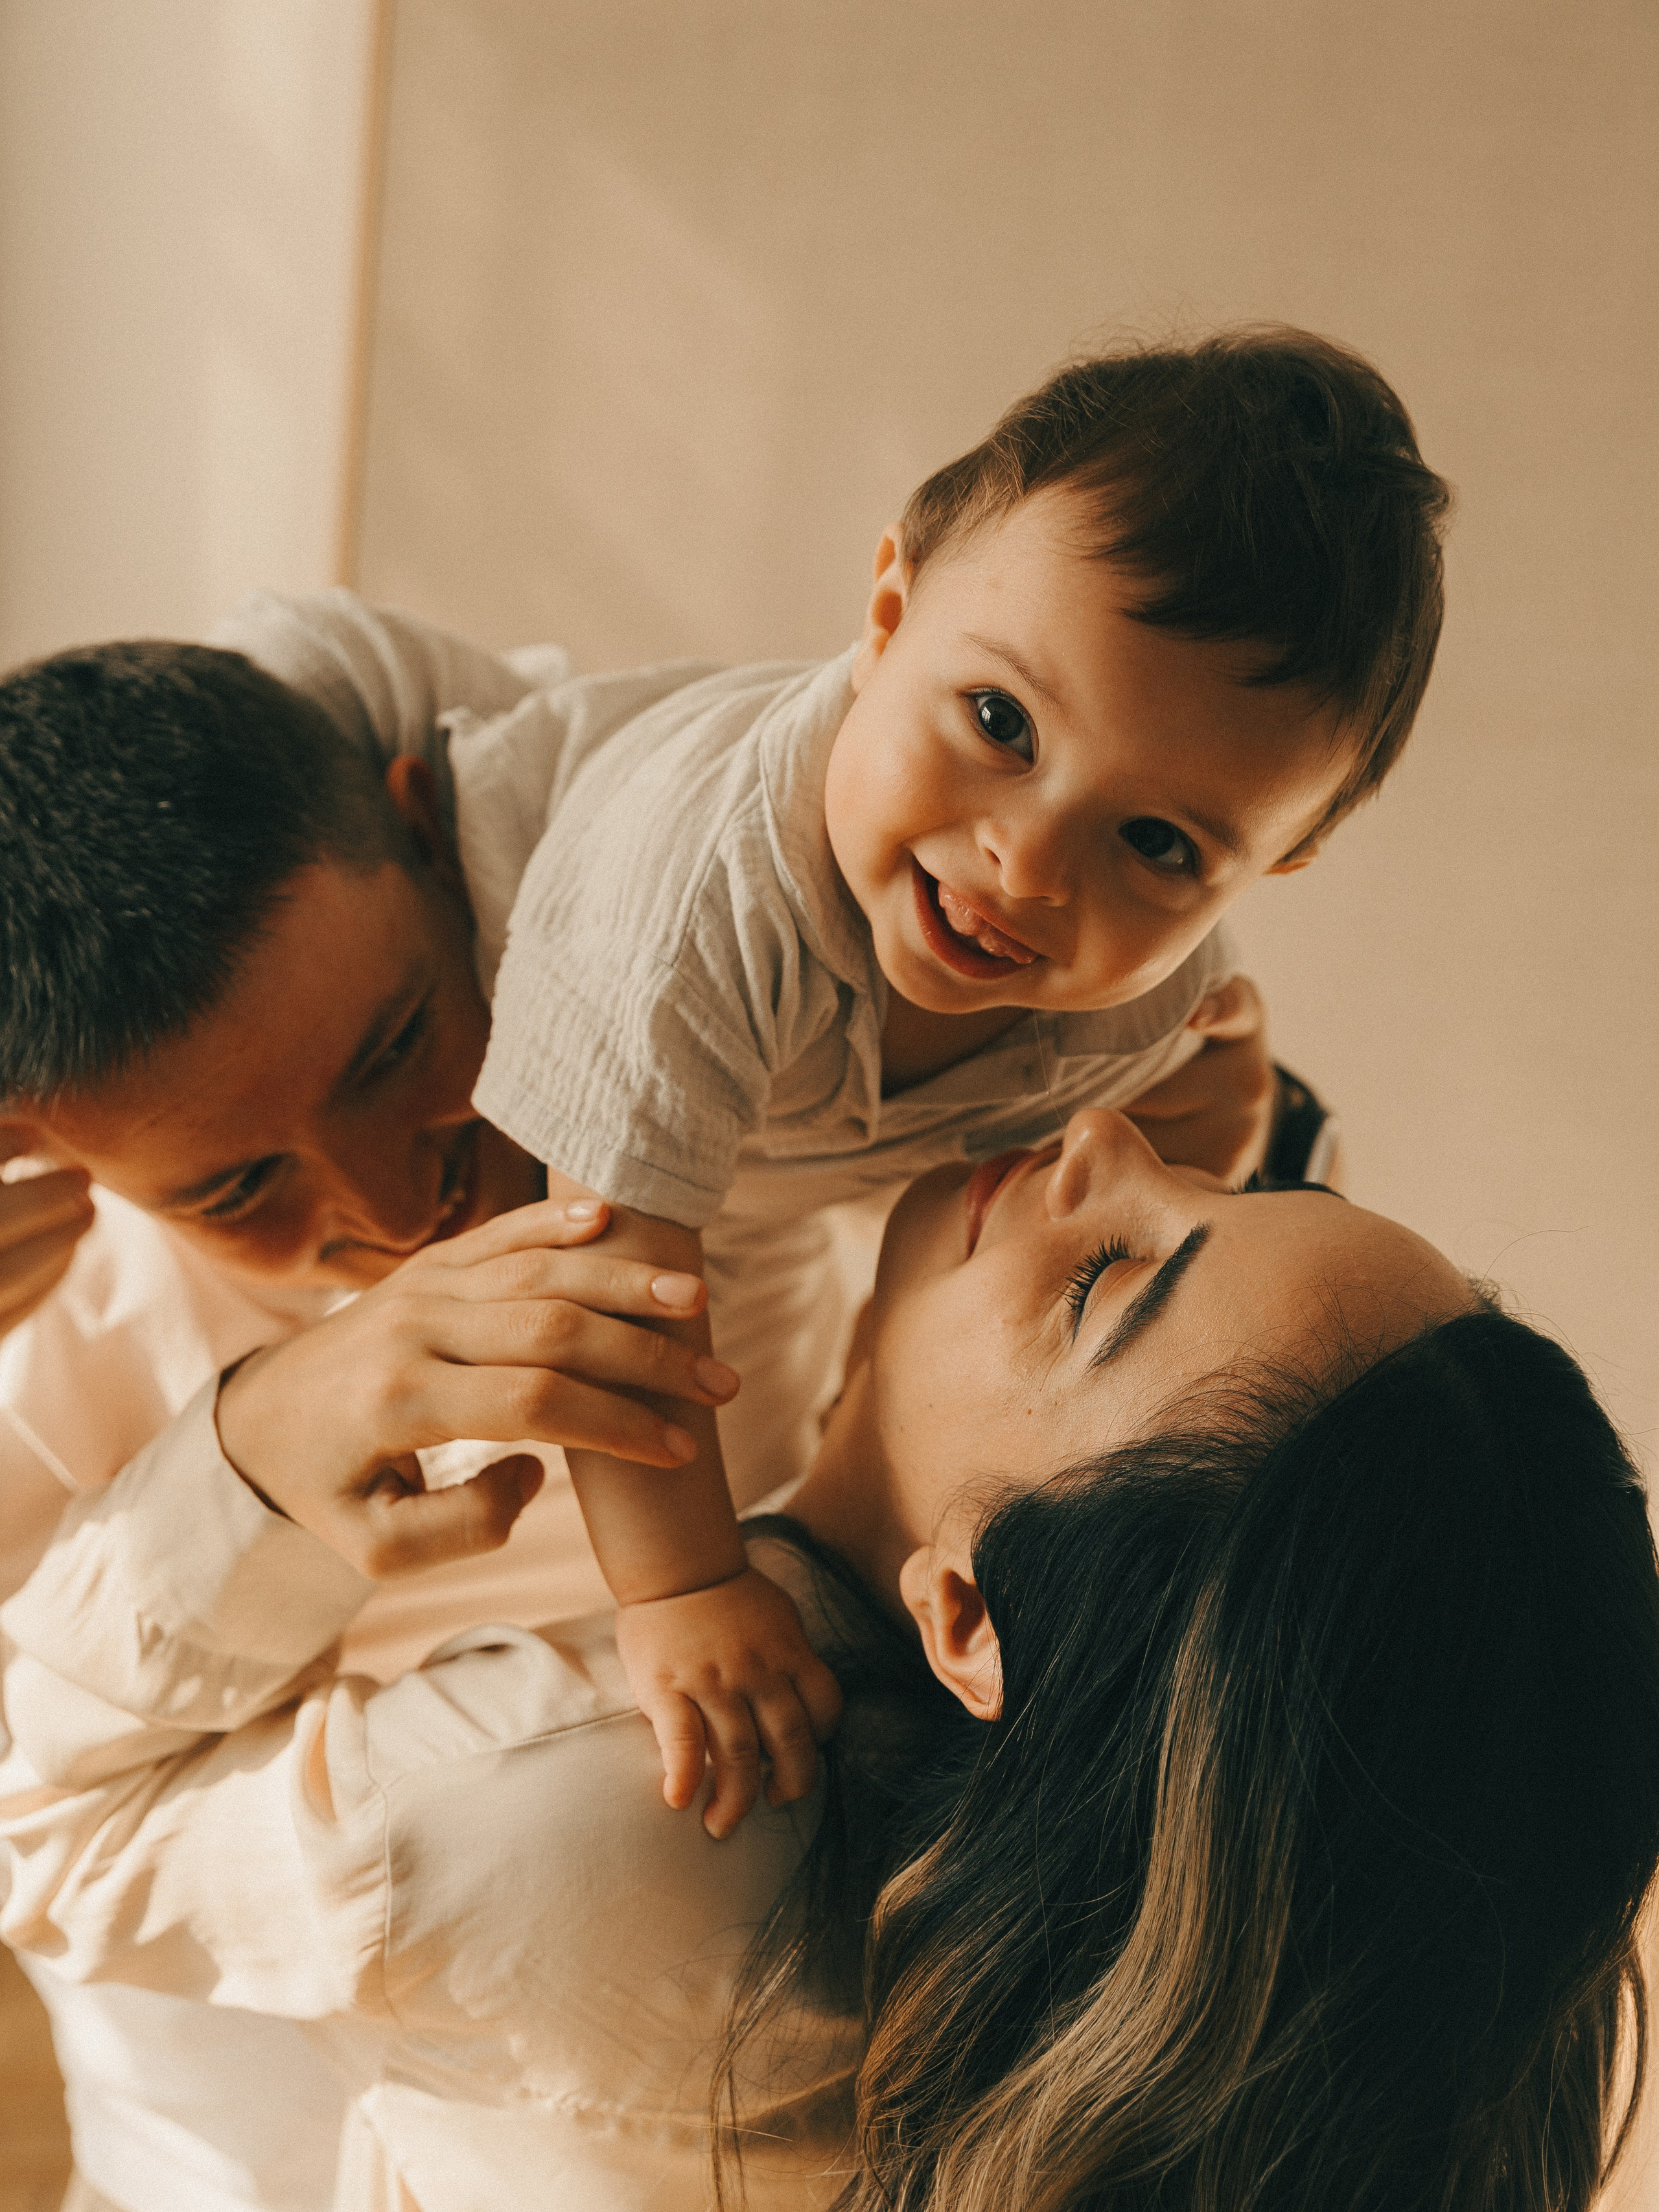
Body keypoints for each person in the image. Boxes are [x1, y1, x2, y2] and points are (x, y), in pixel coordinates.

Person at [0, 590, 1277, 2211]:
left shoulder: (682, 1049)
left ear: (440, 843)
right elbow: (40, 1803)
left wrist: (1186, 1111)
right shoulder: (51, 1347)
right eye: (237, 1186)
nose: (392, 1202)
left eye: (396, 1048)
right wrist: (251, 1459)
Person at [3, 1109, 1654, 2212]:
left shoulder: (610, 1805)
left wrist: (261, 1446)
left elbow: (40, 1833)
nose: (1105, 1138)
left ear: (966, 1621)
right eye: (1255, 1186)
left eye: (1105, 1280)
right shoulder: (1123, 1870)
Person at [465, 326, 1453, 1815]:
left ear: (1274, 862)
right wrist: (680, 1591)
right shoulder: (692, 905)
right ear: (887, 613)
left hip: (754, 1173)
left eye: (1157, 843)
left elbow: (1151, 1154)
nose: (1027, 862)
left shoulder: (1151, 997)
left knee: (758, 1447)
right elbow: (604, 1270)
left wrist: (1213, 1136)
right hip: (459, 948)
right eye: (999, 723)